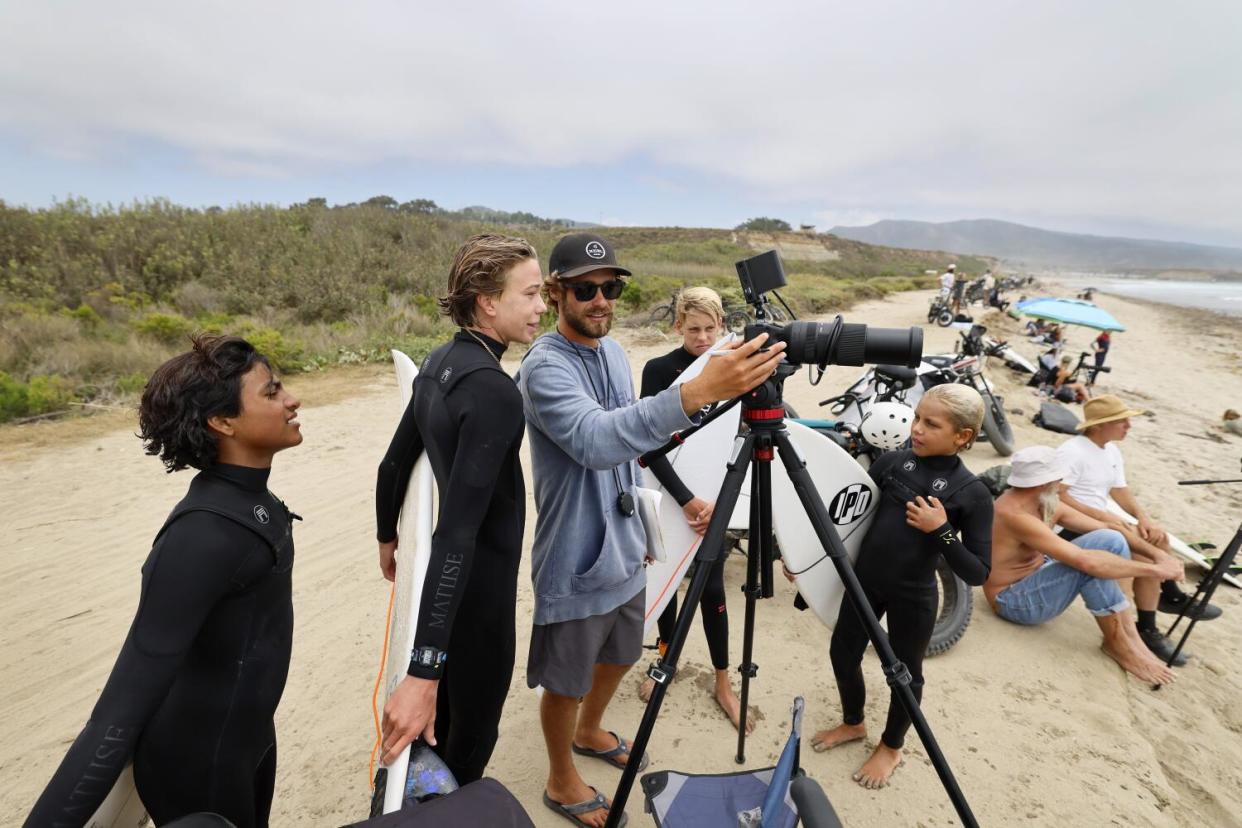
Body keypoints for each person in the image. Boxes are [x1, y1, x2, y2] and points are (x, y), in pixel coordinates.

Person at [518, 232, 786, 827]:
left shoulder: (612, 354)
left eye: (610, 288)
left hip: (625, 538)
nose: (600, 300)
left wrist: (715, 378)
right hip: (576, 548)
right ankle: (562, 779)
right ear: (558, 292)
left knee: (619, 652)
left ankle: (590, 731)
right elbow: (596, 440)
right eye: (585, 290)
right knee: (566, 677)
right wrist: (695, 392)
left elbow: (640, 436)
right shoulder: (544, 367)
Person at [27, 335, 303, 827]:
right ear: (222, 422)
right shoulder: (199, 538)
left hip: (248, 741)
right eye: (271, 392)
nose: (291, 400)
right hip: (197, 769)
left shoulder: (248, 501)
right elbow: (116, 715)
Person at [374, 234, 548, 784]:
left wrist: (388, 539)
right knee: (467, 745)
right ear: (489, 301)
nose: (543, 306)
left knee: (437, 738)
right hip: (478, 598)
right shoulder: (494, 390)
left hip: (439, 589)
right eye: (532, 293)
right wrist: (424, 671)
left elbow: (391, 466)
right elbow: (458, 533)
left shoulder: (438, 361)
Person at [810, 385, 993, 790]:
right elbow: (852, 519)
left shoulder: (973, 494)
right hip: (866, 583)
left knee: (905, 676)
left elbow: (979, 572)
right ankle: (854, 723)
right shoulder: (892, 463)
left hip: (914, 593)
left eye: (932, 424)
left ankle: (891, 747)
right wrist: (811, 566)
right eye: (917, 418)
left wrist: (942, 531)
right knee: (842, 653)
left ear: (962, 436)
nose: (917, 429)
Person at [636, 286, 751, 733]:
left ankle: (724, 682)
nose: (703, 338)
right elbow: (649, 445)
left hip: (717, 495)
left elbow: (746, 439)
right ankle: (666, 659)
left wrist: (721, 502)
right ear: (678, 326)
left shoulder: (735, 367)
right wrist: (686, 500)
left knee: (713, 589)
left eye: (710, 329)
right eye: (693, 329)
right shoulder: (659, 369)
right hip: (670, 492)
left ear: (721, 326)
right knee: (665, 583)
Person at [986, 446, 1181, 684]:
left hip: (1036, 576)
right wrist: (1155, 570)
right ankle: (1117, 643)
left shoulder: (1042, 499)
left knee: (1112, 539)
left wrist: (1158, 555)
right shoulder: (1015, 514)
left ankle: (1130, 635)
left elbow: (1107, 529)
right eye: (1058, 477)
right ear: (1042, 482)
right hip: (1012, 601)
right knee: (1090, 567)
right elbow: (1085, 561)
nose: (1061, 481)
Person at [1054, 395, 1219, 664]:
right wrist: (1101, 515)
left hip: (1102, 520)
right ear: (1099, 426)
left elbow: (1119, 489)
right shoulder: (1073, 451)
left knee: (1156, 537)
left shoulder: (1110, 450)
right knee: (1143, 554)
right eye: (1122, 421)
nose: (1128, 426)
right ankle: (1147, 627)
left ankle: (1169, 598)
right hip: (1075, 526)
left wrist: (1144, 518)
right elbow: (1057, 496)